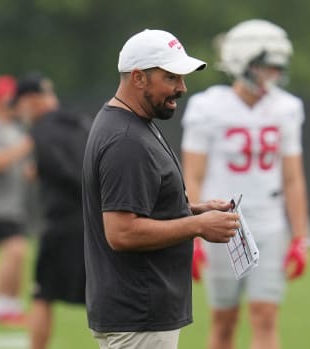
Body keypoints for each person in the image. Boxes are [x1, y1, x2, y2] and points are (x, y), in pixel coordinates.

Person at [82, 29, 240, 349]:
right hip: (139, 315)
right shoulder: (126, 140)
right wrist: (198, 226)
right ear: (139, 78)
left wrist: (194, 210)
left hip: (139, 312)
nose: (181, 88)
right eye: (171, 78)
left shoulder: (132, 124)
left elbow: (140, 205)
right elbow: (122, 232)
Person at [181, 19, 310, 349]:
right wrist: (192, 232)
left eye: (277, 66)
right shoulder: (207, 107)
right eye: (266, 66)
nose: (274, 74)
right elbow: (191, 175)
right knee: (224, 321)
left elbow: (293, 177)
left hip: (268, 223)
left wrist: (300, 236)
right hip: (220, 224)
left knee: (265, 315)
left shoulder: (287, 108)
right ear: (243, 63)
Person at [11, 71, 89, 349]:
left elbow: (62, 171)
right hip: (97, 222)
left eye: (18, 105)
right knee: (102, 296)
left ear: (31, 100)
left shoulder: (41, 130)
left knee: (42, 295)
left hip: (62, 223)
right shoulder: (79, 122)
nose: (19, 113)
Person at [0, 75, 33, 326]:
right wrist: (27, 145)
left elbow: (25, 170)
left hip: (14, 207)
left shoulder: (16, 131)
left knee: (19, 252)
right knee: (15, 249)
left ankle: (11, 306)